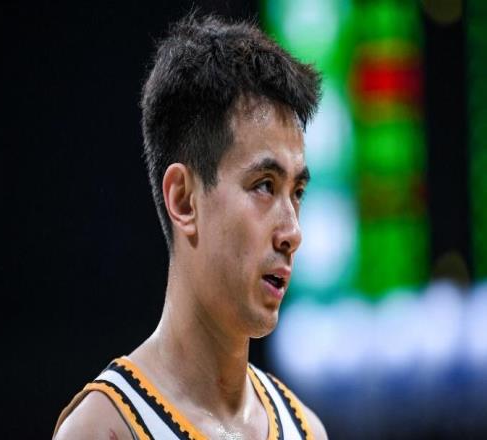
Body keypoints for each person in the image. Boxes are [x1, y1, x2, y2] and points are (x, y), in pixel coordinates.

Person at [53, 13, 327, 440]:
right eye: (264, 186)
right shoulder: (103, 430)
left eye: (297, 192)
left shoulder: (307, 430)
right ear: (183, 199)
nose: (292, 233)